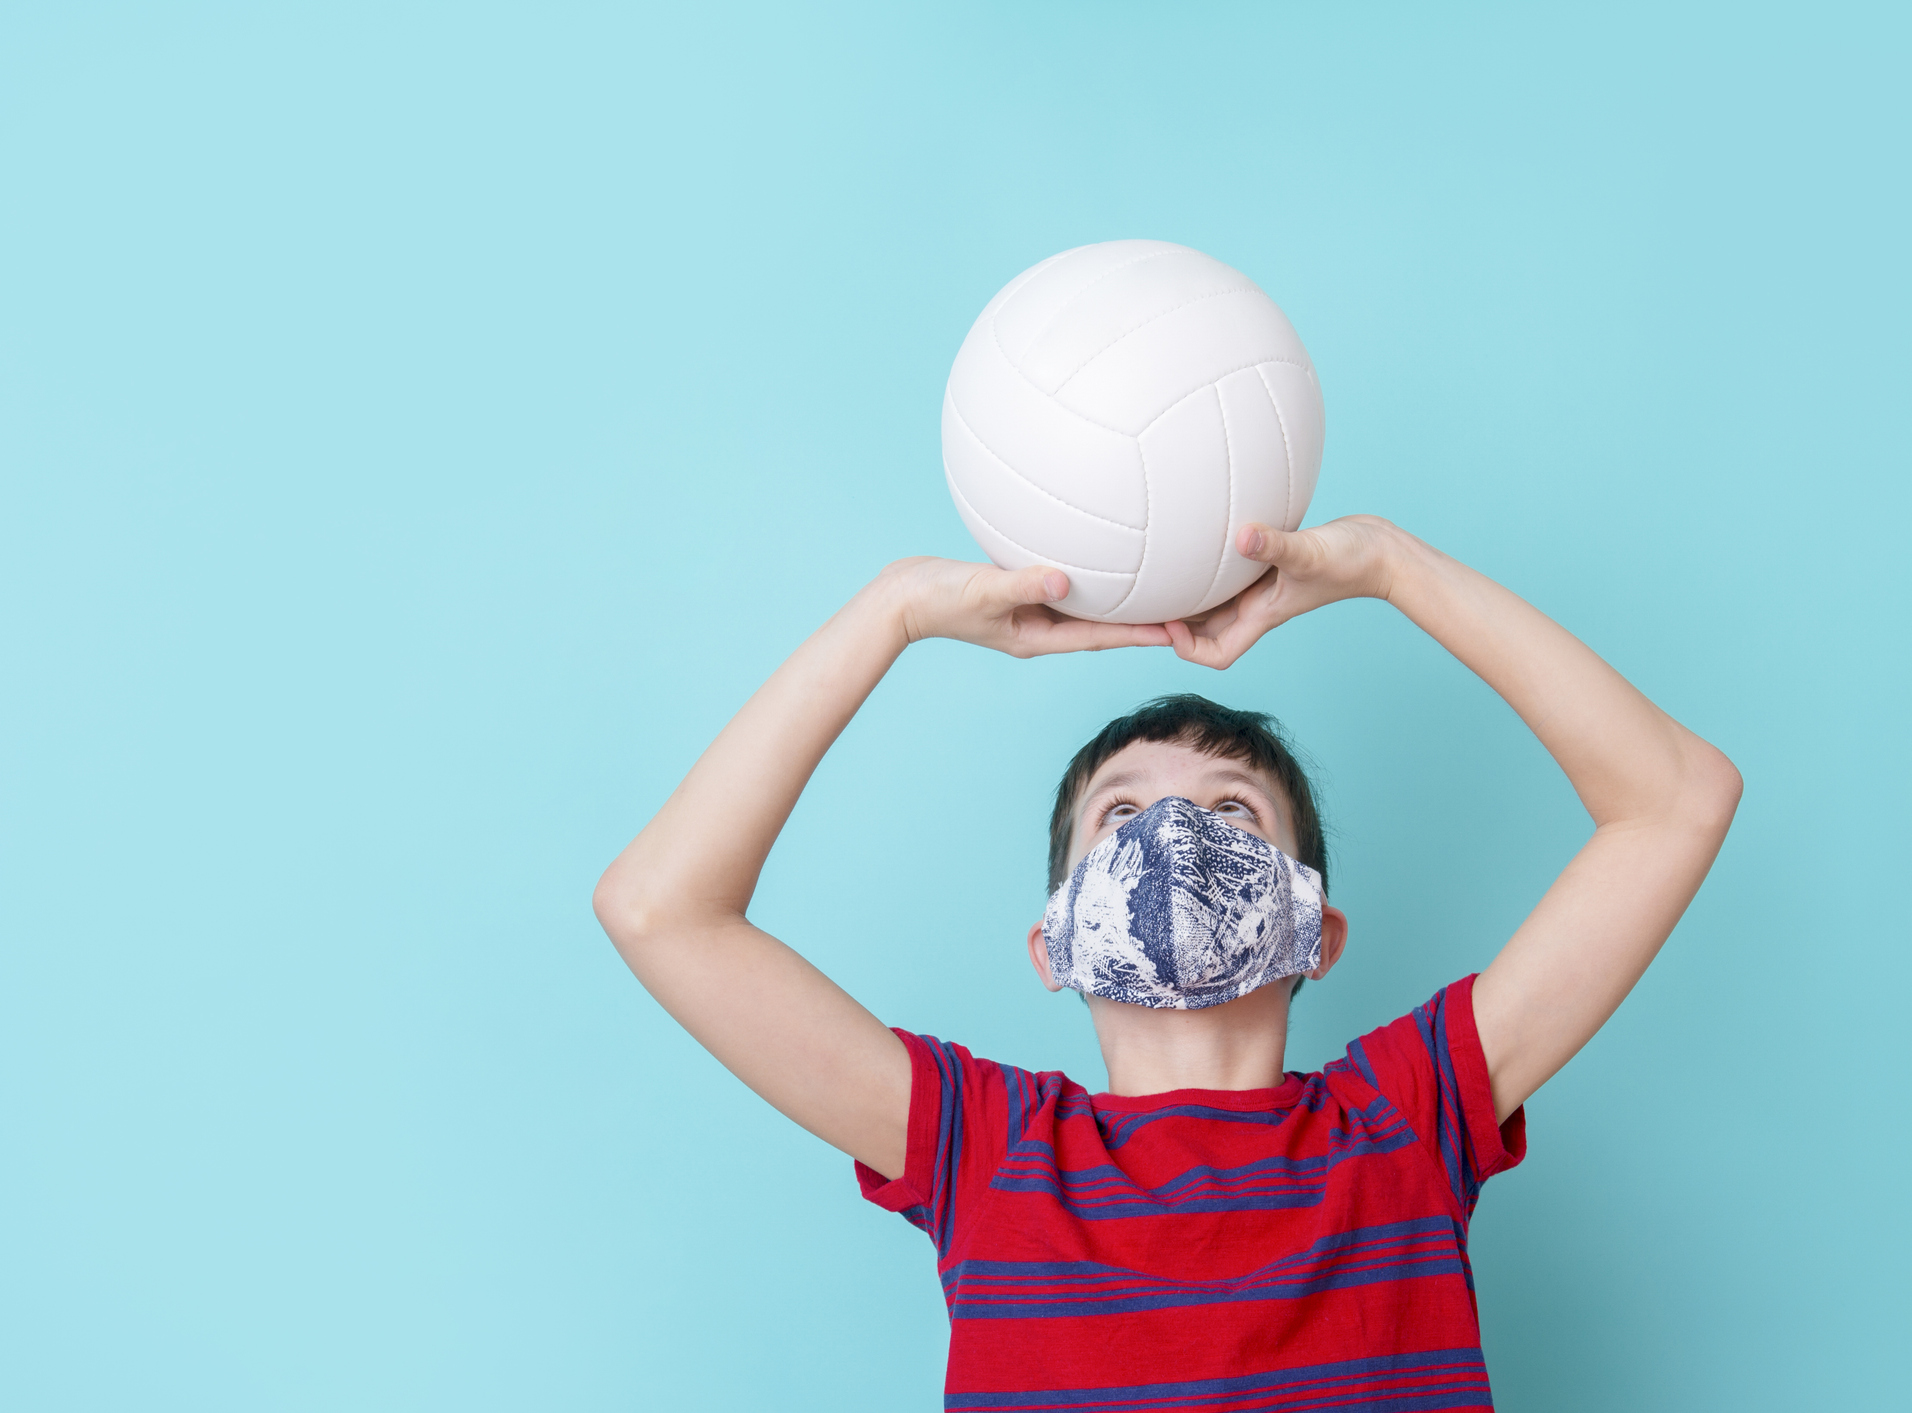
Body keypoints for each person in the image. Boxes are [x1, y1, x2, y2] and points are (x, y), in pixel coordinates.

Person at [593, 514, 1742, 1411]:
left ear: (1314, 930)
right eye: (1120, 813)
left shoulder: (1405, 1118)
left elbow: (1675, 800)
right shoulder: (983, 1152)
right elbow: (659, 909)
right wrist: (893, 609)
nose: (1169, 837)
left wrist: (1392, 567)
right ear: (1054, 942)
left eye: (1232, 812)